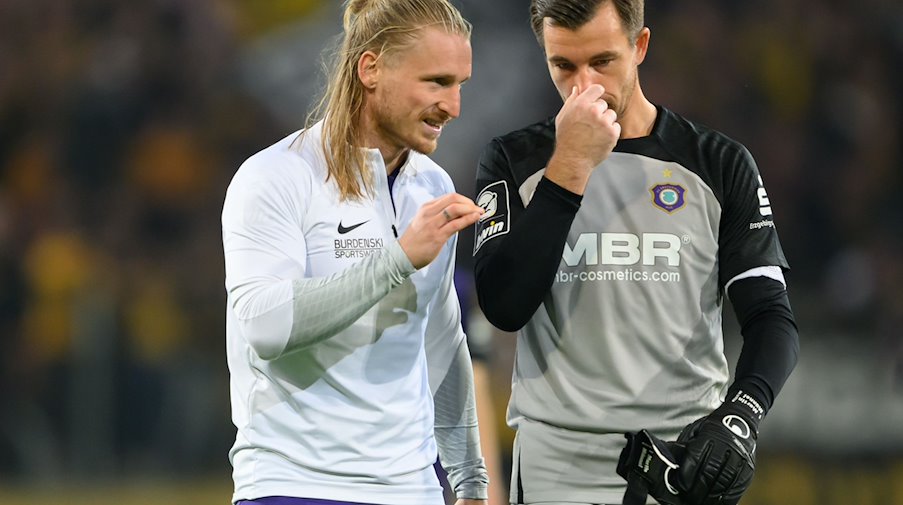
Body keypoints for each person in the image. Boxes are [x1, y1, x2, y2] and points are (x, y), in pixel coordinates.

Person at [471, 1, 800, 504]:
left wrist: (741, 415)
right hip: (557, 469)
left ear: (640, 46)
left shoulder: (717, 163)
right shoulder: (515, 160)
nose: (586, 87)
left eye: (603, 61)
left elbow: (770, 316)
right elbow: (504, 306)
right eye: (564, 65)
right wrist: (571, 167)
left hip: (681, 464)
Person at [221, 1, 489, 504]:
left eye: (460, 85)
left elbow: (440, 337)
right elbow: (266, 327)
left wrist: (470, 479)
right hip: (297, 485)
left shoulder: (432, 185)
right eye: (435, 82)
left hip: (414, 489)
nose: (453, 106)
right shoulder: (275, 177)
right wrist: (396, 259)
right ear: (371, 69)